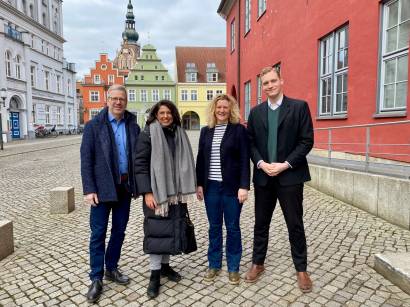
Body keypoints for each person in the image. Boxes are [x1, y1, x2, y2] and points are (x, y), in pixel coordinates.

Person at [245, 66, 314, 292]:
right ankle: (258, 263)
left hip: (290, 176)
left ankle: (301, 269)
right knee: (260, 223)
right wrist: (261, 164)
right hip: (264, 177)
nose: (270, 86)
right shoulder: (255, 113)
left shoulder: (299, 107)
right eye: (265, 83)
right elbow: (251, 143)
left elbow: (306, 141)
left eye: (273, 81)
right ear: (262, 87)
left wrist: (284, 165)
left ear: (281, 81)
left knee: (295, 224)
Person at [80, 84, 140, 303]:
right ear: (107, 100)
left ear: (125, 101)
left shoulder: (132, 125)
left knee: (119, 231)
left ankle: (111, 267)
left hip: (125, 187)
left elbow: (139, 156)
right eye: (114, 98)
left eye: (121, 99)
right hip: (102, 189)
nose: (118, 102)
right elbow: (86, 160)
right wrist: (89, 189)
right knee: (98, 234)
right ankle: (96, 277)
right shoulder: (93, 126)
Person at [134, 100, 196, 299]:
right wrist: (147, 192)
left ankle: (166, 267)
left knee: (171, 229)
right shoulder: (147, 134)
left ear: (174, 115)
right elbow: (140, 165)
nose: (165, 116)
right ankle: (154, 275)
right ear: (155, 114)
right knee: (156, 231)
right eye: (161, 112)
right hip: (157, 193)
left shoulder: (179, 132)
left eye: (169, 112)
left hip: (176, 192)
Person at [196, 94, 250, 285]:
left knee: (233, 228)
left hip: (232, 189)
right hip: (211, 188)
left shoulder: (239, 131)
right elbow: (201, 160)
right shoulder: (206, 131)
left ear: (231, 110)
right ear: (214, 109)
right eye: (219, 107)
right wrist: (199, 184)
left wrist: (244, 186)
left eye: (225, 107)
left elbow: (245, 159)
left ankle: (233, 267)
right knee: (214, 227)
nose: (221, 110)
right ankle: (214, 264)